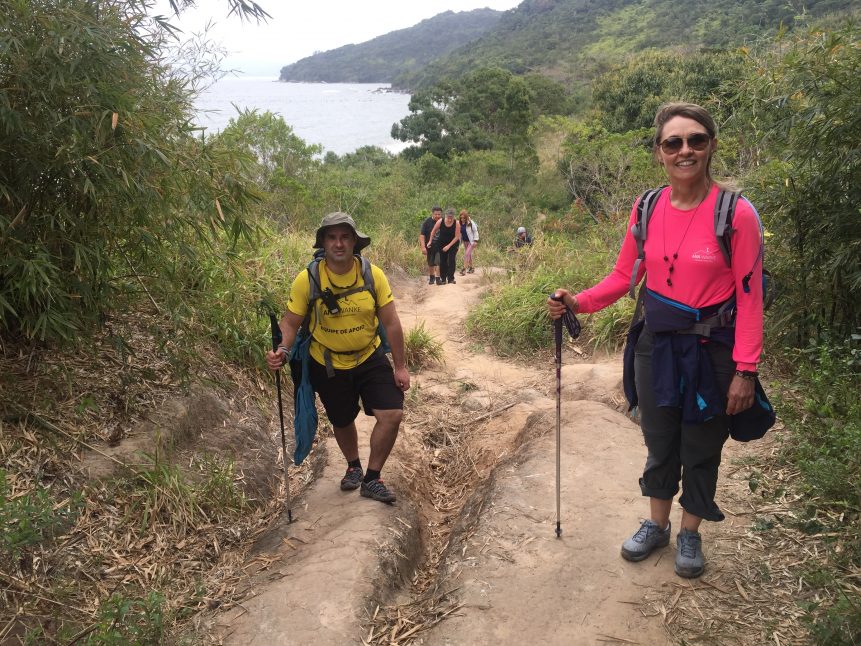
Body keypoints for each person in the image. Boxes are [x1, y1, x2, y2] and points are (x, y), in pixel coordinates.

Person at [547, 103, 765, 578]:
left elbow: (751, 299)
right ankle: (658, 524)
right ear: (660, 152)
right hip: (656, 346)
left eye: (696, 140)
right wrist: (578, 301)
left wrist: (746, 370)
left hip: (713, 350)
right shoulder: (647, 207)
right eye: (674, 142)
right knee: (659, 438)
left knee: (702, 443)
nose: (685, 150)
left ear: (711, 146)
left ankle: (690, 532)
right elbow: (623, 275)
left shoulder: (736, 214)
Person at [266, 212, 410, 504]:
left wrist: (400, 366)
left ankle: (372, 478)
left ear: (355, 241)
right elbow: (291, 323)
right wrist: (282, 349)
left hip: (369, 355)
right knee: (341, 419)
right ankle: (353, 466)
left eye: (345, 237)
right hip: (327, 363)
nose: (339, 243)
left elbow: (391, 323)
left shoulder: (372, 275)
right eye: (332, 237)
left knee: (392, 414)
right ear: (323, 243)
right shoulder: (308, 279)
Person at [428, 207, 461, 284]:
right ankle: (443, 278)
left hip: (453, 243)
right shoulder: (440, 221)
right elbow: (433, 231)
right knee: (443, 261)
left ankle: (451, 279)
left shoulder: (457, 223)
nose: (450, 219)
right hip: (442, 243)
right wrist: (430, 241)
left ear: (453, 217)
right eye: (448, 217)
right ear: (445, 216)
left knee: (451, 260)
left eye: (451, 218)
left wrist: (448, 246)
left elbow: (457, 237)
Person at [419, 205, 443, 285]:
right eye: (436, 214)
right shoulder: (427, 222)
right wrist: (423, 247)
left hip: (440, 246)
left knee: (438, 262)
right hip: (429, 246)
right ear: (432, 213)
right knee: (431, 263)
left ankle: (438, 278)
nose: (437, 216)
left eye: (439, 214)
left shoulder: (443, 222)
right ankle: (432, 277)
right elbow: (422, 235)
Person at [458, 210, 479, 275]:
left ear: (466, 217)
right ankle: (471, 268)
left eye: (464, 218)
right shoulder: (459, 223)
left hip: (471, 241)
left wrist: (475, 240)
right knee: (469, 254)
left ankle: (464, 269)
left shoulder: (470, 222)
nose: (462, 219)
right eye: (461, 218)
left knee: (466, 254)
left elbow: (475, 231)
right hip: (465, 241)